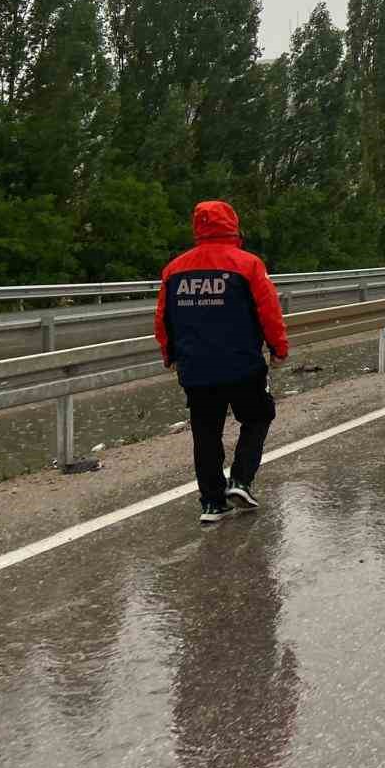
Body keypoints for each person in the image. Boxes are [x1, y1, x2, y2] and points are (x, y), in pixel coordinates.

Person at [155, 201, 289, 525]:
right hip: (242, 364)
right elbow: (269, 311)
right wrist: (279, 348)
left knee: (206, 433)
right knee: (258, 416)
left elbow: (163, 318)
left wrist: (168, 354)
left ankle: (212, 503)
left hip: (195, 368)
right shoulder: (248, 264)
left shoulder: (174, 270)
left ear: (197, 227)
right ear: (233, 225)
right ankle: (240, 480)